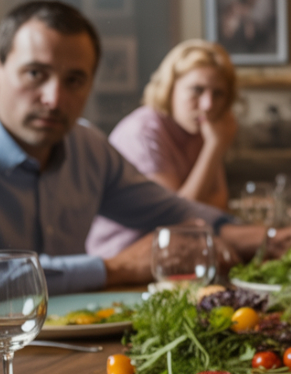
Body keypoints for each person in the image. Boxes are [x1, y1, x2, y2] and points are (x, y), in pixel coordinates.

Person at [0, 0, 268, 370]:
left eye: (74, 80)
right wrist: (114, 268)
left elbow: (173, 210)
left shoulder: (86, 146)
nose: (54, 98)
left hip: (52, 352)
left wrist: (275, 236)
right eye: (36, 74)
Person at [87, 40, 238, 259]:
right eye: (197, 90)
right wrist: (214, 148)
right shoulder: (142, 132)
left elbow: (218, 208)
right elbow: (174, 219)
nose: (208, 104)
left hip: (177, 253)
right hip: (121, 258)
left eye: (218, 94)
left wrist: (213, 145)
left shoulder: (201, 131)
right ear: (170, 88)